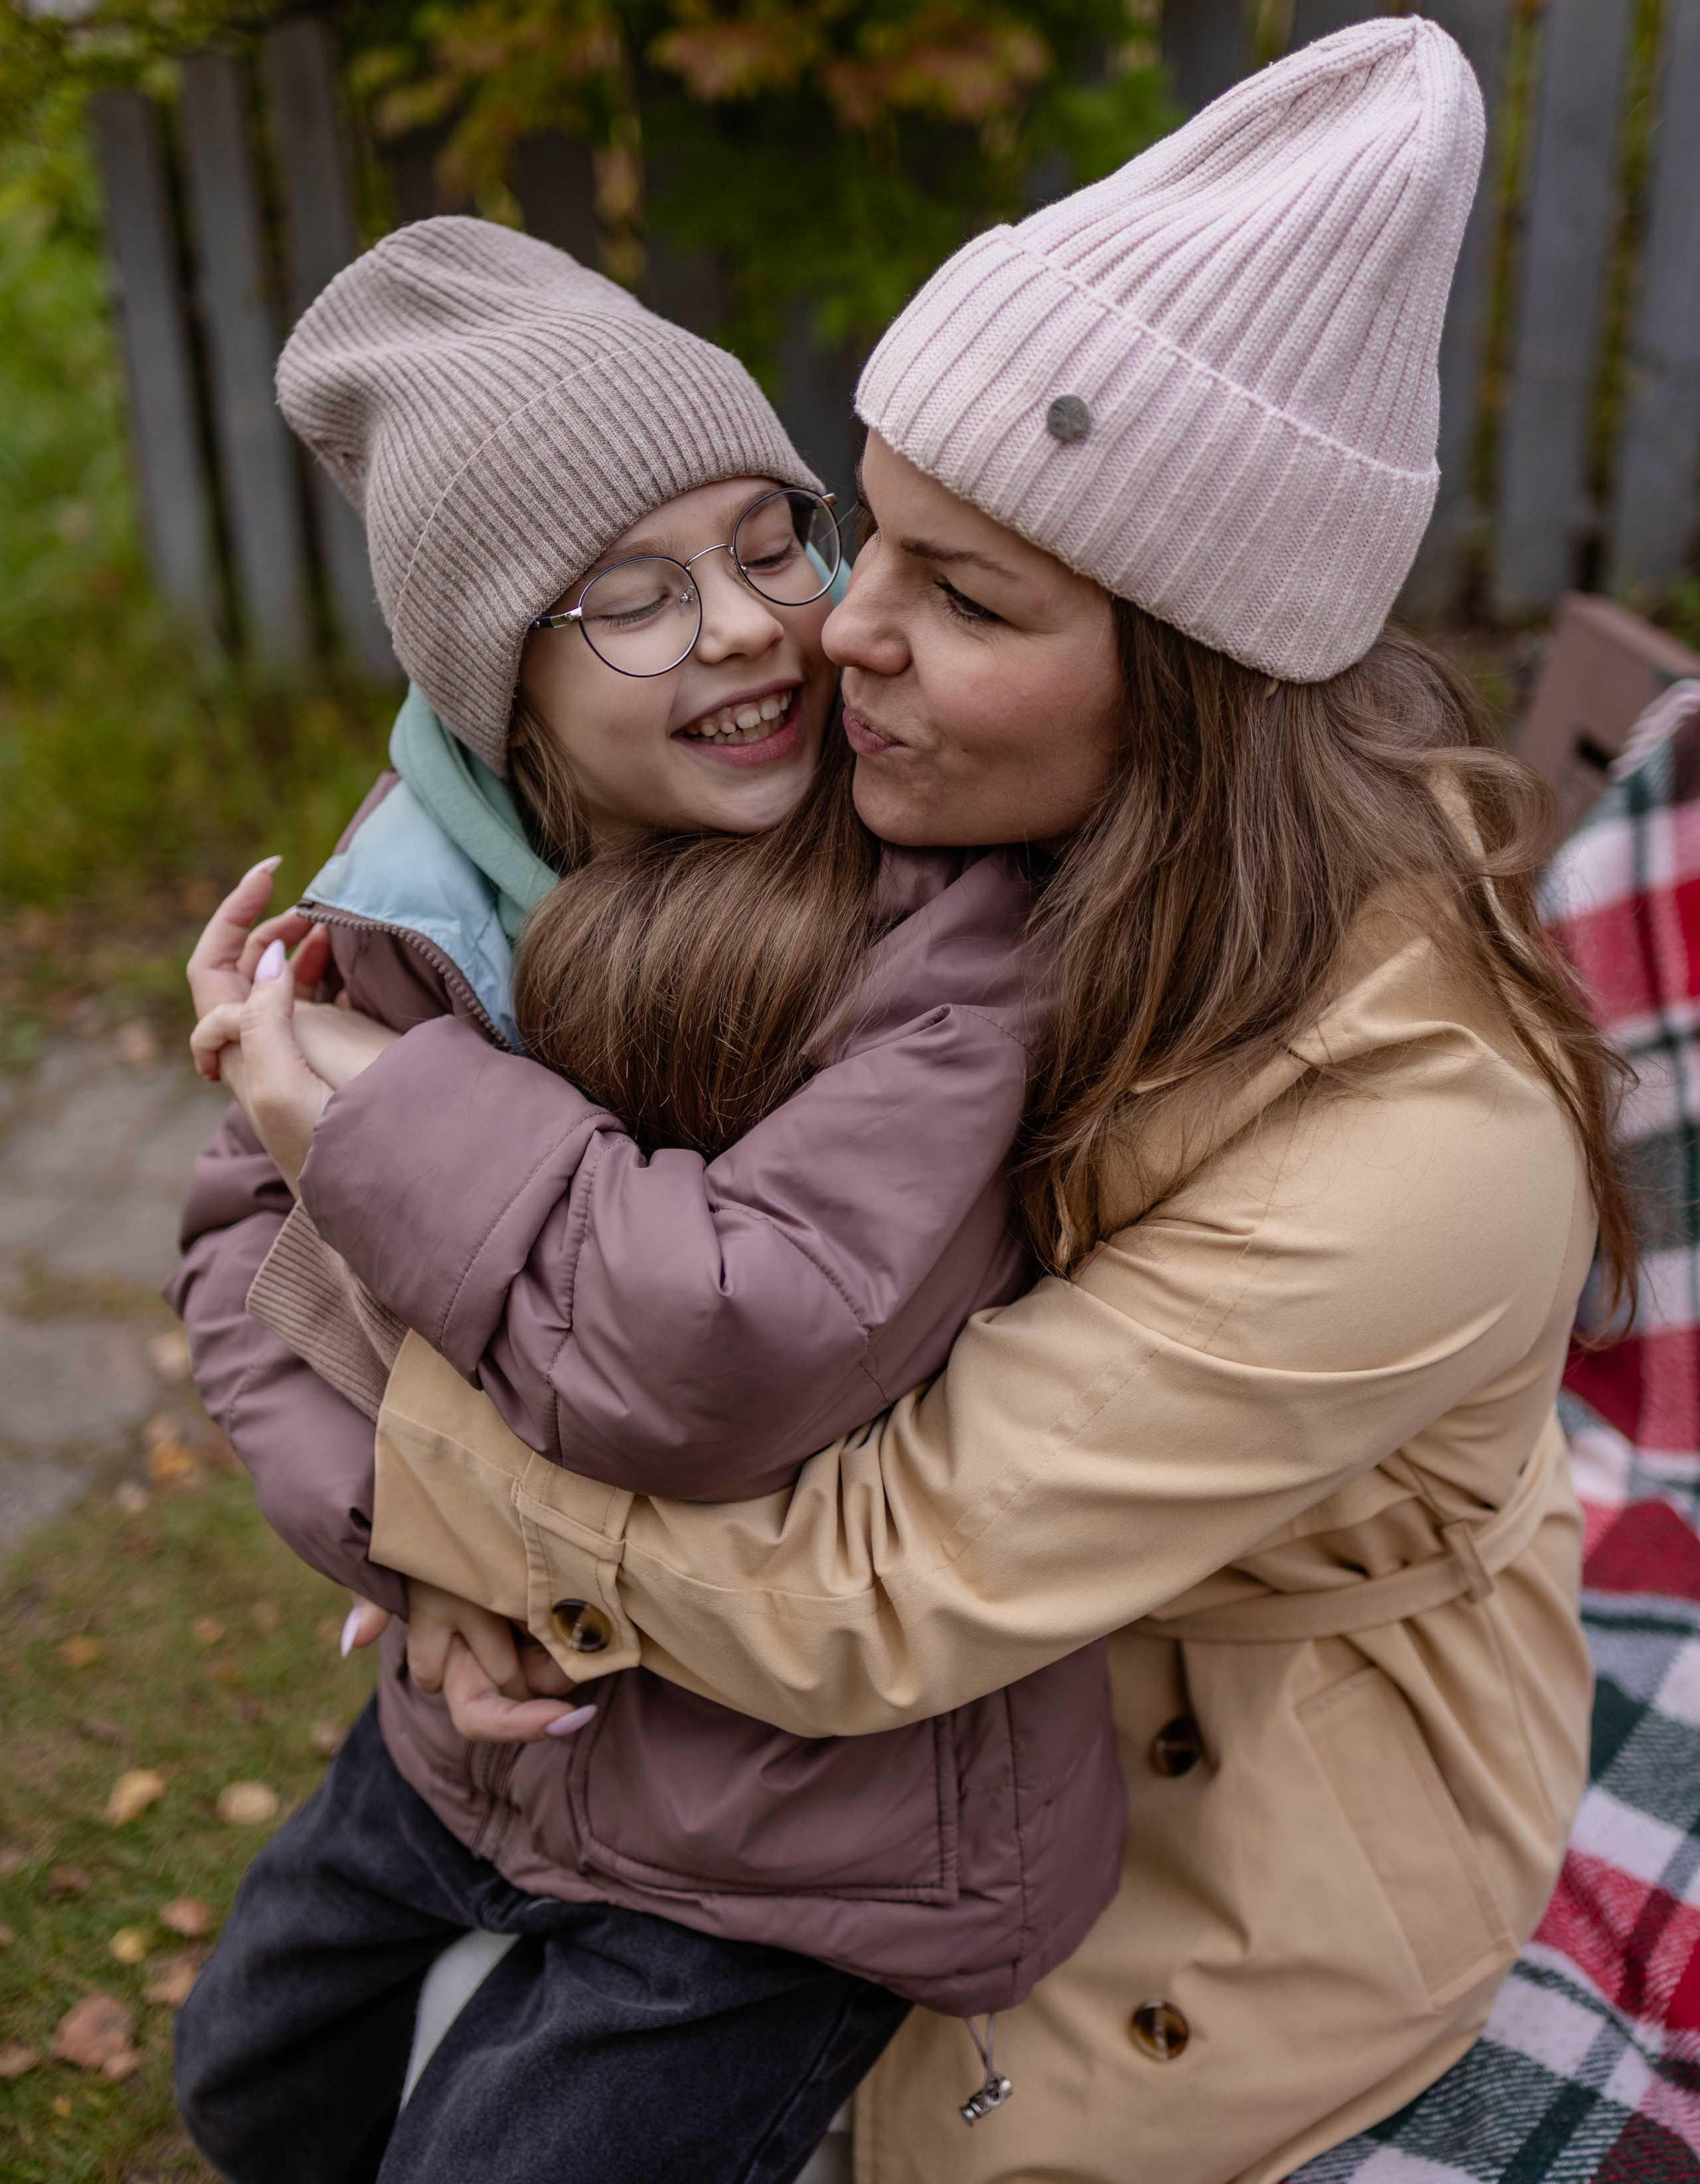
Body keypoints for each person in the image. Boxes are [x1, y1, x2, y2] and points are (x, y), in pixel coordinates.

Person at [223, 17, 1631, 2184]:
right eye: (861, 532)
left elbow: (861, 1584)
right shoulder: (897, 842)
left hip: (1205, 1857)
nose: (829, 635)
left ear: (1196, 678)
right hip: (816, 1752)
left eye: (961, 594)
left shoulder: (1418, 1149)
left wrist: (423, 1462)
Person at [167, 218, 1123, 2184]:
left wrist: (375, 1110)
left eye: (772, 542)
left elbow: (719, 1350)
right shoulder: (422, 898)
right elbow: (236, 1253)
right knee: (252, 2078)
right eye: (631, 596)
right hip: (492, 1730)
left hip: (801, 1829)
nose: (753, 625)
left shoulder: (931, 920)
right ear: (498, 687)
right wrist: (404, 1546)